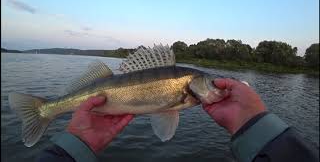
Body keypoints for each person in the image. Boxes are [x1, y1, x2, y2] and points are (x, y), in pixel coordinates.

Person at [36, 78, 319, 162]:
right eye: (212, 83)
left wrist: (72, 148)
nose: (218, 88)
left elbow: (167, 116)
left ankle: (46, 111)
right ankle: (43, 110)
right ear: (194, 84)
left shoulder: (183, 99)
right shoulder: (182, 92)